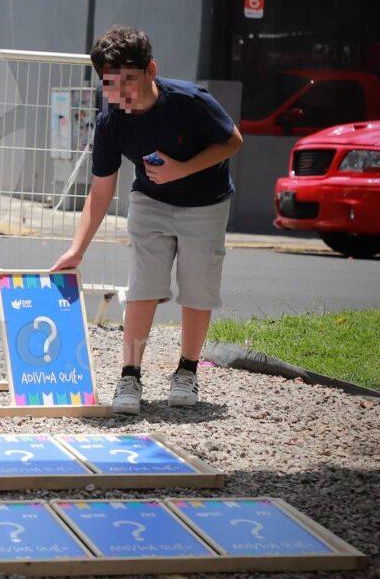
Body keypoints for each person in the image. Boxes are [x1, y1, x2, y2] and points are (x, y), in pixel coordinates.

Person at [51, 25, 243, 414]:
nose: (120, 93)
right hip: (150, 201)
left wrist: (181, 169)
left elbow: (233, 141)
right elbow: (101, 191)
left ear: (150, 70)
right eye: (110, 84)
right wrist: (77, 249)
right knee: (143, 285)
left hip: (206, 203)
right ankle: (130, 375)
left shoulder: (190, 100)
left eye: (128, 81)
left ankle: (187, 370)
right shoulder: (110, 122)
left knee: (197, 286)